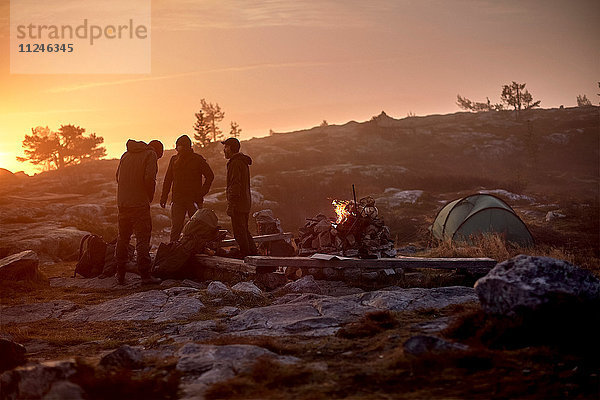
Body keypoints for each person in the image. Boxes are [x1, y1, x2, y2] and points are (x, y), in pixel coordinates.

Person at [115, 139, 163, 285]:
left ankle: (120, 273)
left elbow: (117, 177)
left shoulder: (126, 154)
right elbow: (149, 178)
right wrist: (149, 196)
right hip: (139, 204)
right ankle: (145, 276)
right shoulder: (150, 154)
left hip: (123, 203)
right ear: (158, 151)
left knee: (123, 238)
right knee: (142, 239)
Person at [160, 134, 214, 242]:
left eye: (178, 146)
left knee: (196, 228)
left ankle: (196, 251)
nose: (176, 148)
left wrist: (201, 193)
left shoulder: (197, 159)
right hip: (178, 200)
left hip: (193, 200)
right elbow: (168, 179)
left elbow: (210, 176)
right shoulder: (174, 159)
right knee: (176, 228)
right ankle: (173, 250)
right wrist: (164, 197)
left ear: (185, 146)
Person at [221, 137, 257, 258]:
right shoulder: (242, 162)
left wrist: (231, 205)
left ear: (230, 148)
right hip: (245, 202)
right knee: (244, 230)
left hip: (238, 204)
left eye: (225, 147)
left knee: (239, 232)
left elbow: (235, 184)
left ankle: (246, 255)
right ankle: (253, 254)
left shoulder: (235, 163)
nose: (224, 150)